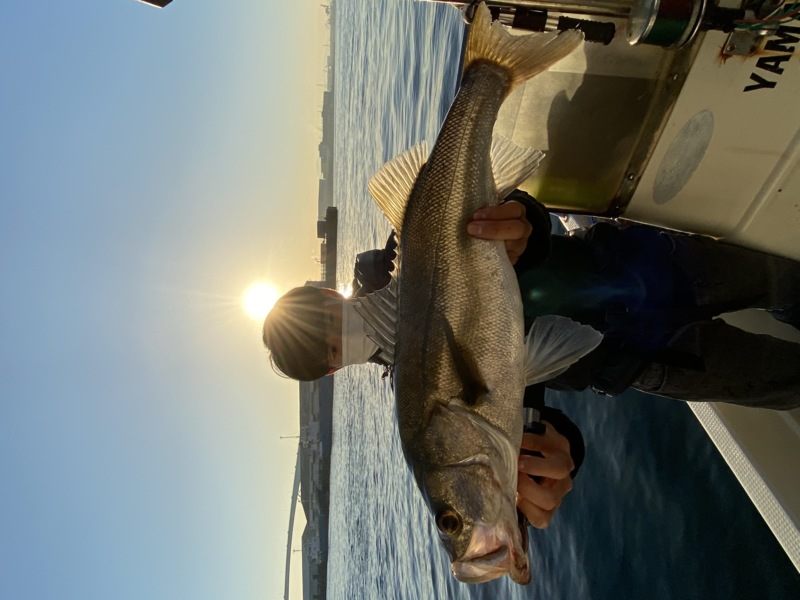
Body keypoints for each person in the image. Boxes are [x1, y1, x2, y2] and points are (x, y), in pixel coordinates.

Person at [263, 199, 581, 529]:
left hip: (594, 260)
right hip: (618, 367)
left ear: (331, 294)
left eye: (329, 320)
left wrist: (521, 226)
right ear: (334, 369)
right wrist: (548, 463)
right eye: (332, 351)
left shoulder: (405, 254)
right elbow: (522, 410)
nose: (342, 338)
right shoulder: (412, 388)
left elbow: (510, 208)